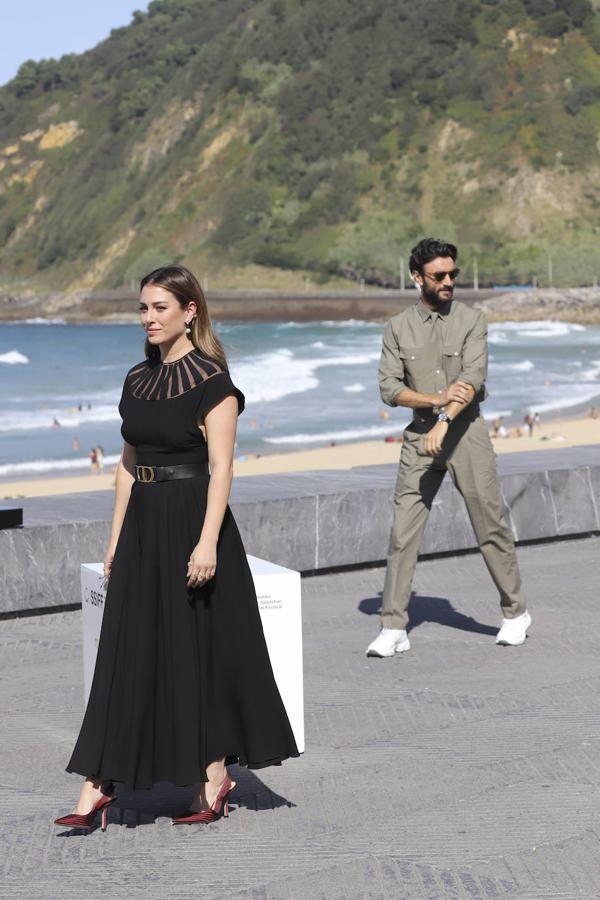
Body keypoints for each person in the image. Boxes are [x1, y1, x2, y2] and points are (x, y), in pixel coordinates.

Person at [55, 264, 298, 833]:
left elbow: (221, 468)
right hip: (142, 527)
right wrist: (114, 540)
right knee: (126, 650)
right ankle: (99, 780)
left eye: (159, 307)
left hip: (194, 522)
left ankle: (212, 776)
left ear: (189, 312)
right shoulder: (136, 381)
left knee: (198, 653)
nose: (148, 318)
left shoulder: (214, 381)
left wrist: (207, 541)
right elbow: (124, 467)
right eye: (143, 308)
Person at [366, 237, 531, 659]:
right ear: (416, 277)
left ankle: (515, 612)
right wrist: (435, 403)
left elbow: (472, 379)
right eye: (439, 275)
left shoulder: (473, 320)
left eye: (452, 274)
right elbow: (389, 389)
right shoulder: (397, 327)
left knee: (488, 524)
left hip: (467, 436)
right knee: (403, 534)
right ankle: (393, 626)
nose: (448, 282)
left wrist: (445, 418)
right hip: (420, 438)